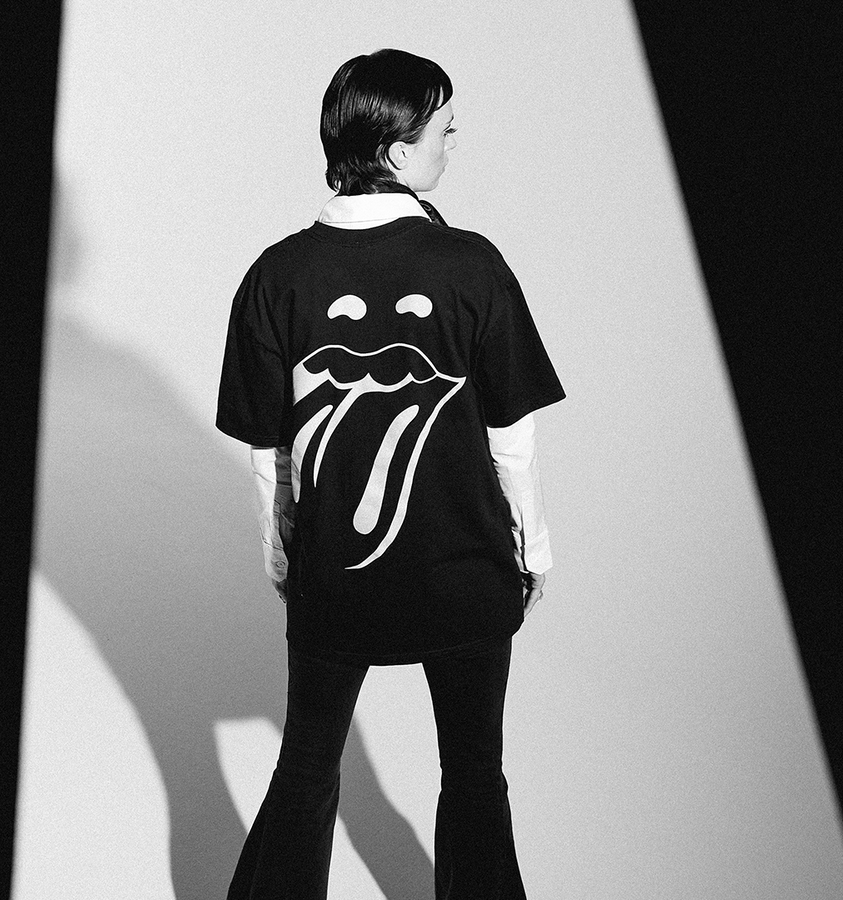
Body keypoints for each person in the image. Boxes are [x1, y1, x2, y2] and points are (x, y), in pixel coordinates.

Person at [216, 48, 565, 900]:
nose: (454, 142)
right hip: (466, 570)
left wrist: (284, 556)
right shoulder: (472, 264)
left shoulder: (275, 275)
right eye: (445, 128)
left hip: (336, 580)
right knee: (475, 772)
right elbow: (510, 436)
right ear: (400, 152)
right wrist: (533, 550)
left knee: (307, 766)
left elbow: (269, 452)